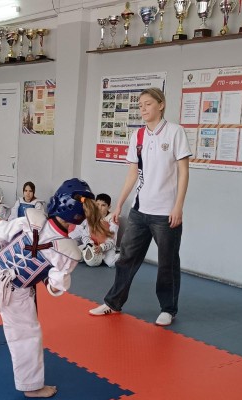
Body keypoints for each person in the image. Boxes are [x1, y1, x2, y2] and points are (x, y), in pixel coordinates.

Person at [0, 179, 110, 398]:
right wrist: (51, 277)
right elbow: (56, 287)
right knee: (26, 336)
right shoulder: (69, 252)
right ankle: (32, 387)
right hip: (18, 290)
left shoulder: (32, 218)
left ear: (57, 201)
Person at [89, 88, 191, 326]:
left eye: (148, 104)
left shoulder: (176, 132)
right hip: (139, 211)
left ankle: (168, 309)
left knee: (167, 262)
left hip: (166, 213)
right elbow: (132, 174)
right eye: (140, 105)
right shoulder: (138, 136)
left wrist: (178, 207)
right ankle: (113, 302)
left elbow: (184, 173)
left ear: (161, 105)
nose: (143, 109)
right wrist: (119, 204)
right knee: (126, 258)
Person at [70, 193, 119, 267]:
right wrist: (90, 244)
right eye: (98, 204)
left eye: (103, 205)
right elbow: (85, 235)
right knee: (75, 255)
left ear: (109, 207)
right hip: (92, 245)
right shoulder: (90, 217)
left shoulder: (113, 220)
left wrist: (102, 247)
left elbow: (112, 241)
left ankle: (121, 254)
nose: (99, 207)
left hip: (106, 247)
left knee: (111, 263)